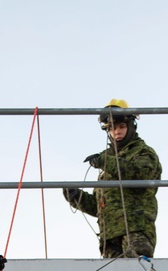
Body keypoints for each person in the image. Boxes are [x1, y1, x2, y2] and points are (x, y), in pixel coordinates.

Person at [63, 100, 160, 259]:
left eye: (121, 126)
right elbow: (99, 207)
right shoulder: (108, 157)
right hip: (109, 235)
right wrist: (76, 197)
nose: (117, 132)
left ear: (131, 126)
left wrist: (104, 161)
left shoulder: (143, 152)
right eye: (112, 128)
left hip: (135, 230)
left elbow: (139, 176)